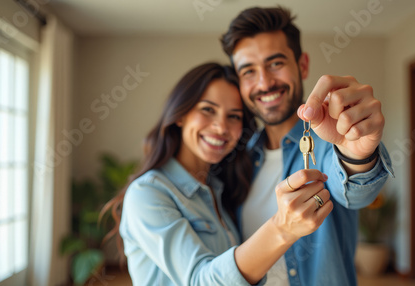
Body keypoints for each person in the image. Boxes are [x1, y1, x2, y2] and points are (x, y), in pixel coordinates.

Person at [101, 62, 334, 286]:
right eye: (208, 110)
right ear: (180, 115)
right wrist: (282, 229)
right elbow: (201, 281)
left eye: (233, 116)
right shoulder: (148, 193)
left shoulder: (218, 189)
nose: (221, 127)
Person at [220, 7, 394, 286]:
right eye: (249, 71)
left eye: (275, 63)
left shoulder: (328, 143)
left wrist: (358, 155)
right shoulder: (236, 158)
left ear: (302, 65)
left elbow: (354, 192)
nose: (264, 82)